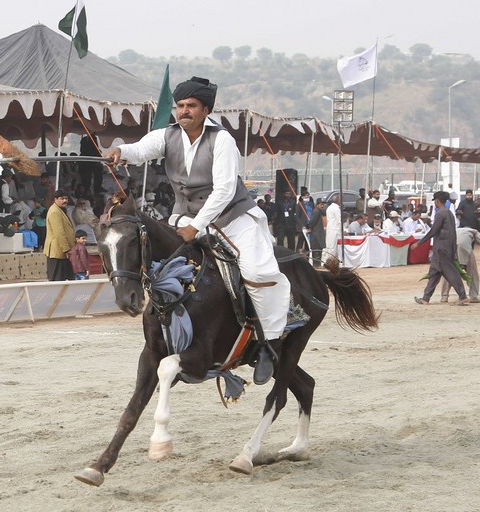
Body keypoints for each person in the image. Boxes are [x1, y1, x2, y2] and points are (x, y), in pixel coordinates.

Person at [106, 76, 291, 385]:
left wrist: (197, 226)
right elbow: (139, 150)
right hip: (185, 218)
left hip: (233, 218)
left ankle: (268, 345)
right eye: (180, 106)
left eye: (191, 106)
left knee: (258, 272)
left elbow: (224, 191)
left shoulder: (222, 141)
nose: (183, 111)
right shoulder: (167, 135)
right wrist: (119, 152)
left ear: (205, 110)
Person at [412, 191, 469, 306]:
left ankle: (463, 296)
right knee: (434, 273)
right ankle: (425, 298)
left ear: (437, 201)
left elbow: (433, 231)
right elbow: (453, 233)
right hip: (446, 247)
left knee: (451, 273)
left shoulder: (440, 213)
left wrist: (419, 243)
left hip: (441, 249)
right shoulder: (449, 213)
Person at [440, 227, 480, 303]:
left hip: (450, 247)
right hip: (465, 247)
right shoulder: (474, 231)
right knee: (472, 273)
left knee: (448, 272)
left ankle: (444, 296)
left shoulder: (455, 230)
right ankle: (473, 296)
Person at [44, 189, 76, 281]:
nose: (65, 201)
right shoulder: (55, 212)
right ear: (56, 199)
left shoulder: (60, 210)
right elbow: (59, 233)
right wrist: (66, 250)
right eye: (62, 199)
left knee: (68, 279)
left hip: (62, 251)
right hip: (58, 251)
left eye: (66, 198)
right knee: (57, 280)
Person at [306, 198, 326, 265]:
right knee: (316, 253)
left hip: (318, 235)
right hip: (316, 236)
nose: (322, 206)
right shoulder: (316, 211)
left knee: (318, 253)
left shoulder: (320, 211)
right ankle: (316, 266)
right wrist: (308, 226)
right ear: (317, 205)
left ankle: (317, 265)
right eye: (321, 204)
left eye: (323, 204)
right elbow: (312, 222)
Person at [324, 194, 342, 263]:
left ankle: (329, 261)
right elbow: (339, 220)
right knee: (334, 247)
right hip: (335, 230)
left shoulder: (329, 208)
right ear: (338, 200)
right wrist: (342, 230)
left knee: (330, 246)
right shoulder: (336, 208)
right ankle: (331, 262)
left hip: (330, 229)